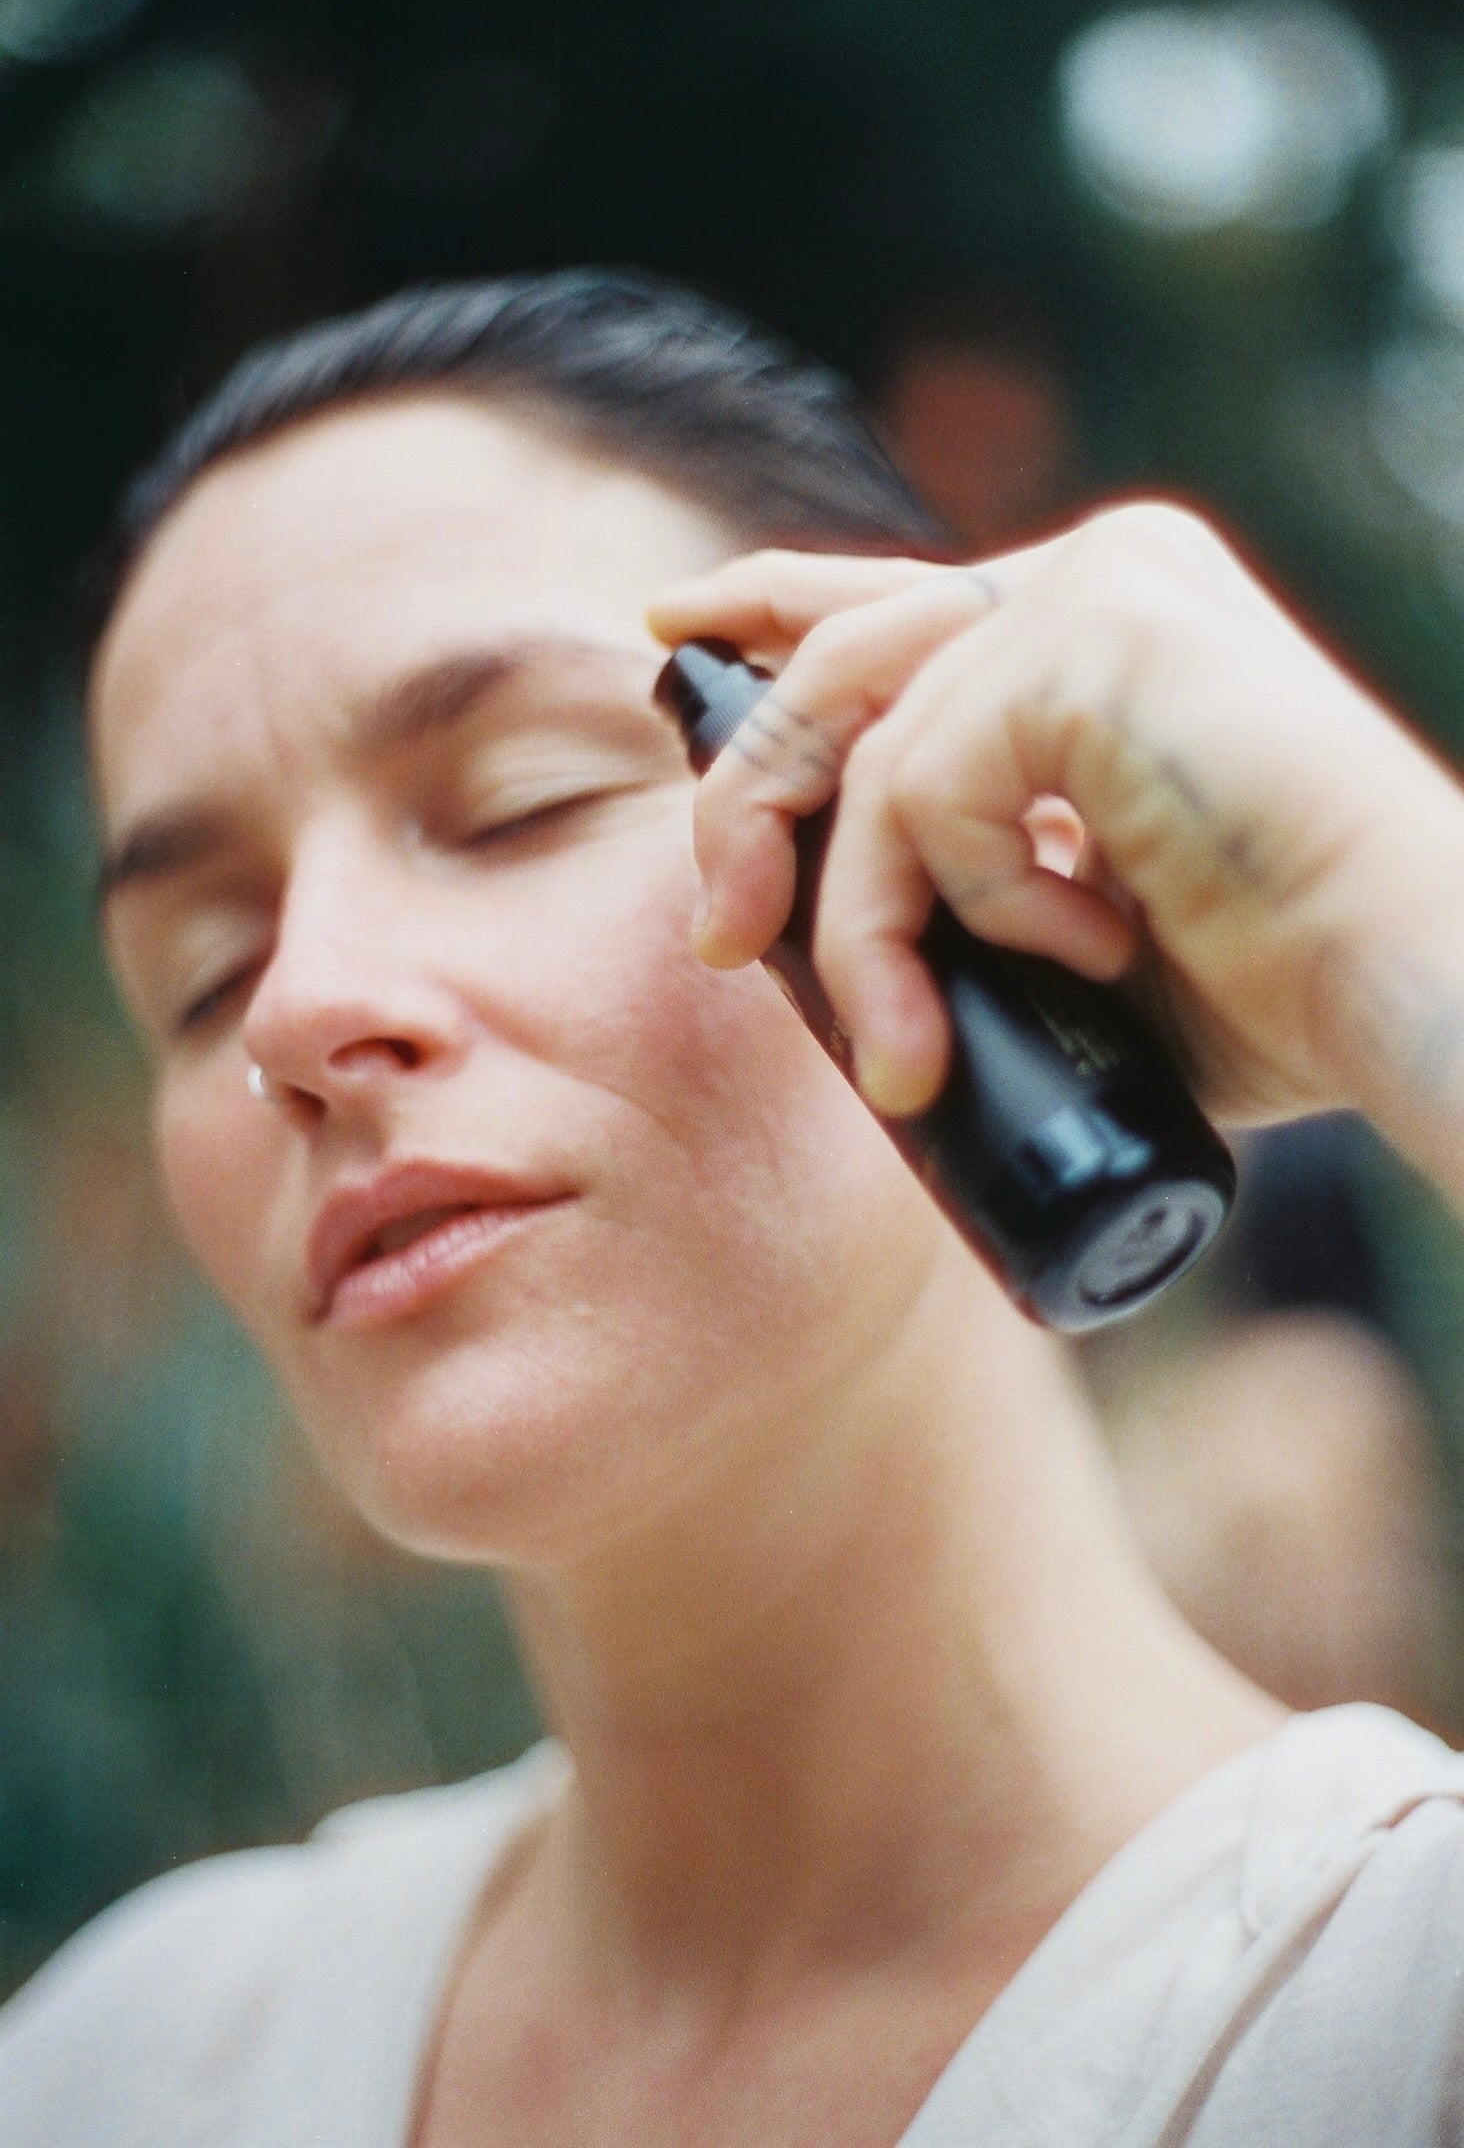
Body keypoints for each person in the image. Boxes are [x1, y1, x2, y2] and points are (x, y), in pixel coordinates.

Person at [5, 267, 1464, 2147]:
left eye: (518, 802)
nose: (293, 1009)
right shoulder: (129, 2069)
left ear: (962, 827)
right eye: (201, 973)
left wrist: (1394, 922)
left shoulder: (1392, 2020)